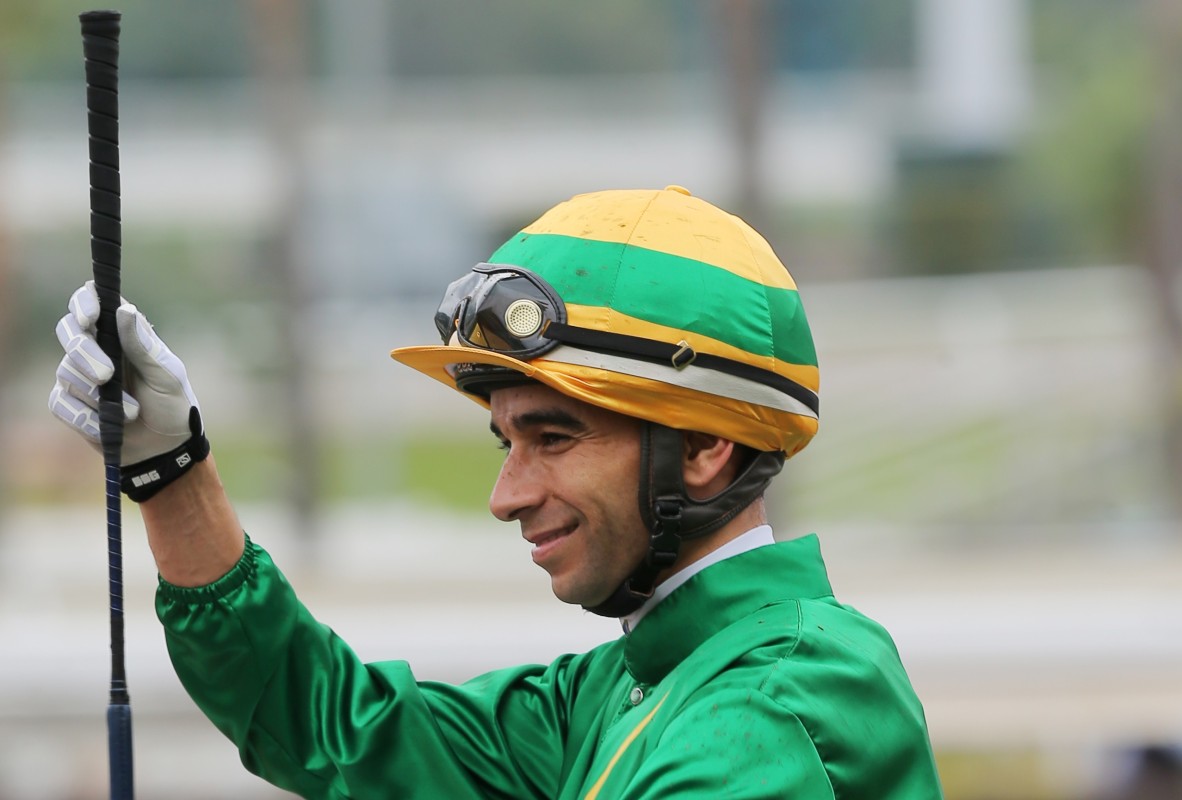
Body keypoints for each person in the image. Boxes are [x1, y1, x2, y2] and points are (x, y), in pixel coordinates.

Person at [49, 186, 944, 798]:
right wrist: (171, 470)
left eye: (553, 438)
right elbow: (335, 727)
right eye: (507, 441)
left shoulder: (771, 710)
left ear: (708, 445)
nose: (506, 495)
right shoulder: (627, 686)